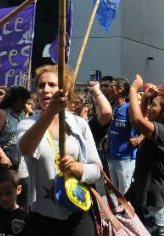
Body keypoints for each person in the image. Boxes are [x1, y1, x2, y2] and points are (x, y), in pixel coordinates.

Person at [18, 65, 102, 235]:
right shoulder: (28, 124)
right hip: (42, 218)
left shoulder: (79, 124)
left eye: (52, 85)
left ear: (66, 90)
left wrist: (78, 168)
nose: (45, 90)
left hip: (79, 214)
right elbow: (25, 149)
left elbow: (97, 170)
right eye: (41, 86)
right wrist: (50, 112)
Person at [126, 75, 164, 235]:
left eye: (153, 105)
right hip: (148, 202)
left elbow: (137, 120)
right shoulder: (160, 131)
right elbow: (141, 120)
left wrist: (133, 90)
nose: (148, 108)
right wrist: (146, 99)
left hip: (160, 207)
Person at [0, 86, 31, 207]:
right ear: (13, 100)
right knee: (5, 202)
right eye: (22, 101)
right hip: (7, 165)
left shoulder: (23, 113)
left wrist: (26, 106)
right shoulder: (2, 113)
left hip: (23, 165)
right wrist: (2, 156)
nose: (24, 103)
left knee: (23, 201)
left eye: (25, 101)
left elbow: (32, 113)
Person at [107, 77, 139, 195]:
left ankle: (127, 213)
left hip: (125, 157)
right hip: (111, 155)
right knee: (115, 191)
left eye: (111, 86)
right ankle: (117, 213)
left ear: (120, 89)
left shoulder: (129, 108)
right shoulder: (111, 107)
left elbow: (142, 126)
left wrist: (138, 139)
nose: (109, 89)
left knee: (125, 191)